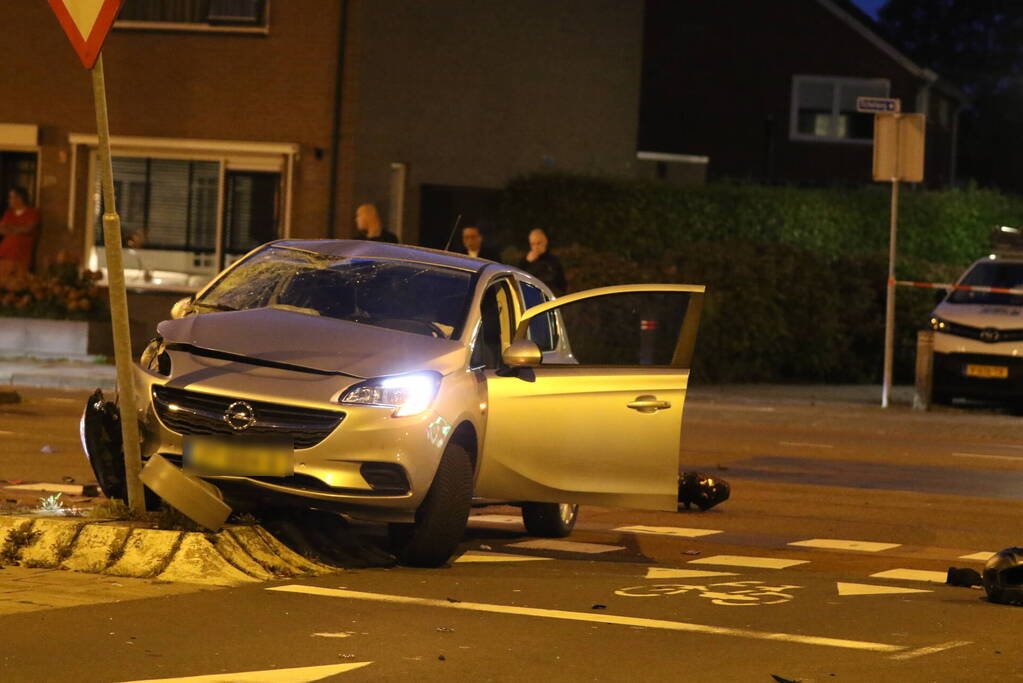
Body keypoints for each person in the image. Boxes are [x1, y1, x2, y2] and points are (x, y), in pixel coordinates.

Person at [0, 187, 40, 277]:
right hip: (5, 252)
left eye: (11, 197)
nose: (9, 200)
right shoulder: (8, 213)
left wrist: (10, 228)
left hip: (22, 254)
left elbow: (28, 229)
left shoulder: (32, 212)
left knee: (18, 280)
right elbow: (2, 229)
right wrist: (19, 229)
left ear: (20, 198)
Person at [519, 228, 566, 295]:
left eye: (538, 243)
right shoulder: (524, 262)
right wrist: (527, 262)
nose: (536, 247)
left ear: (545, 242)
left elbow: (560, 284)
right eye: (533, 244)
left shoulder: (553, 261)